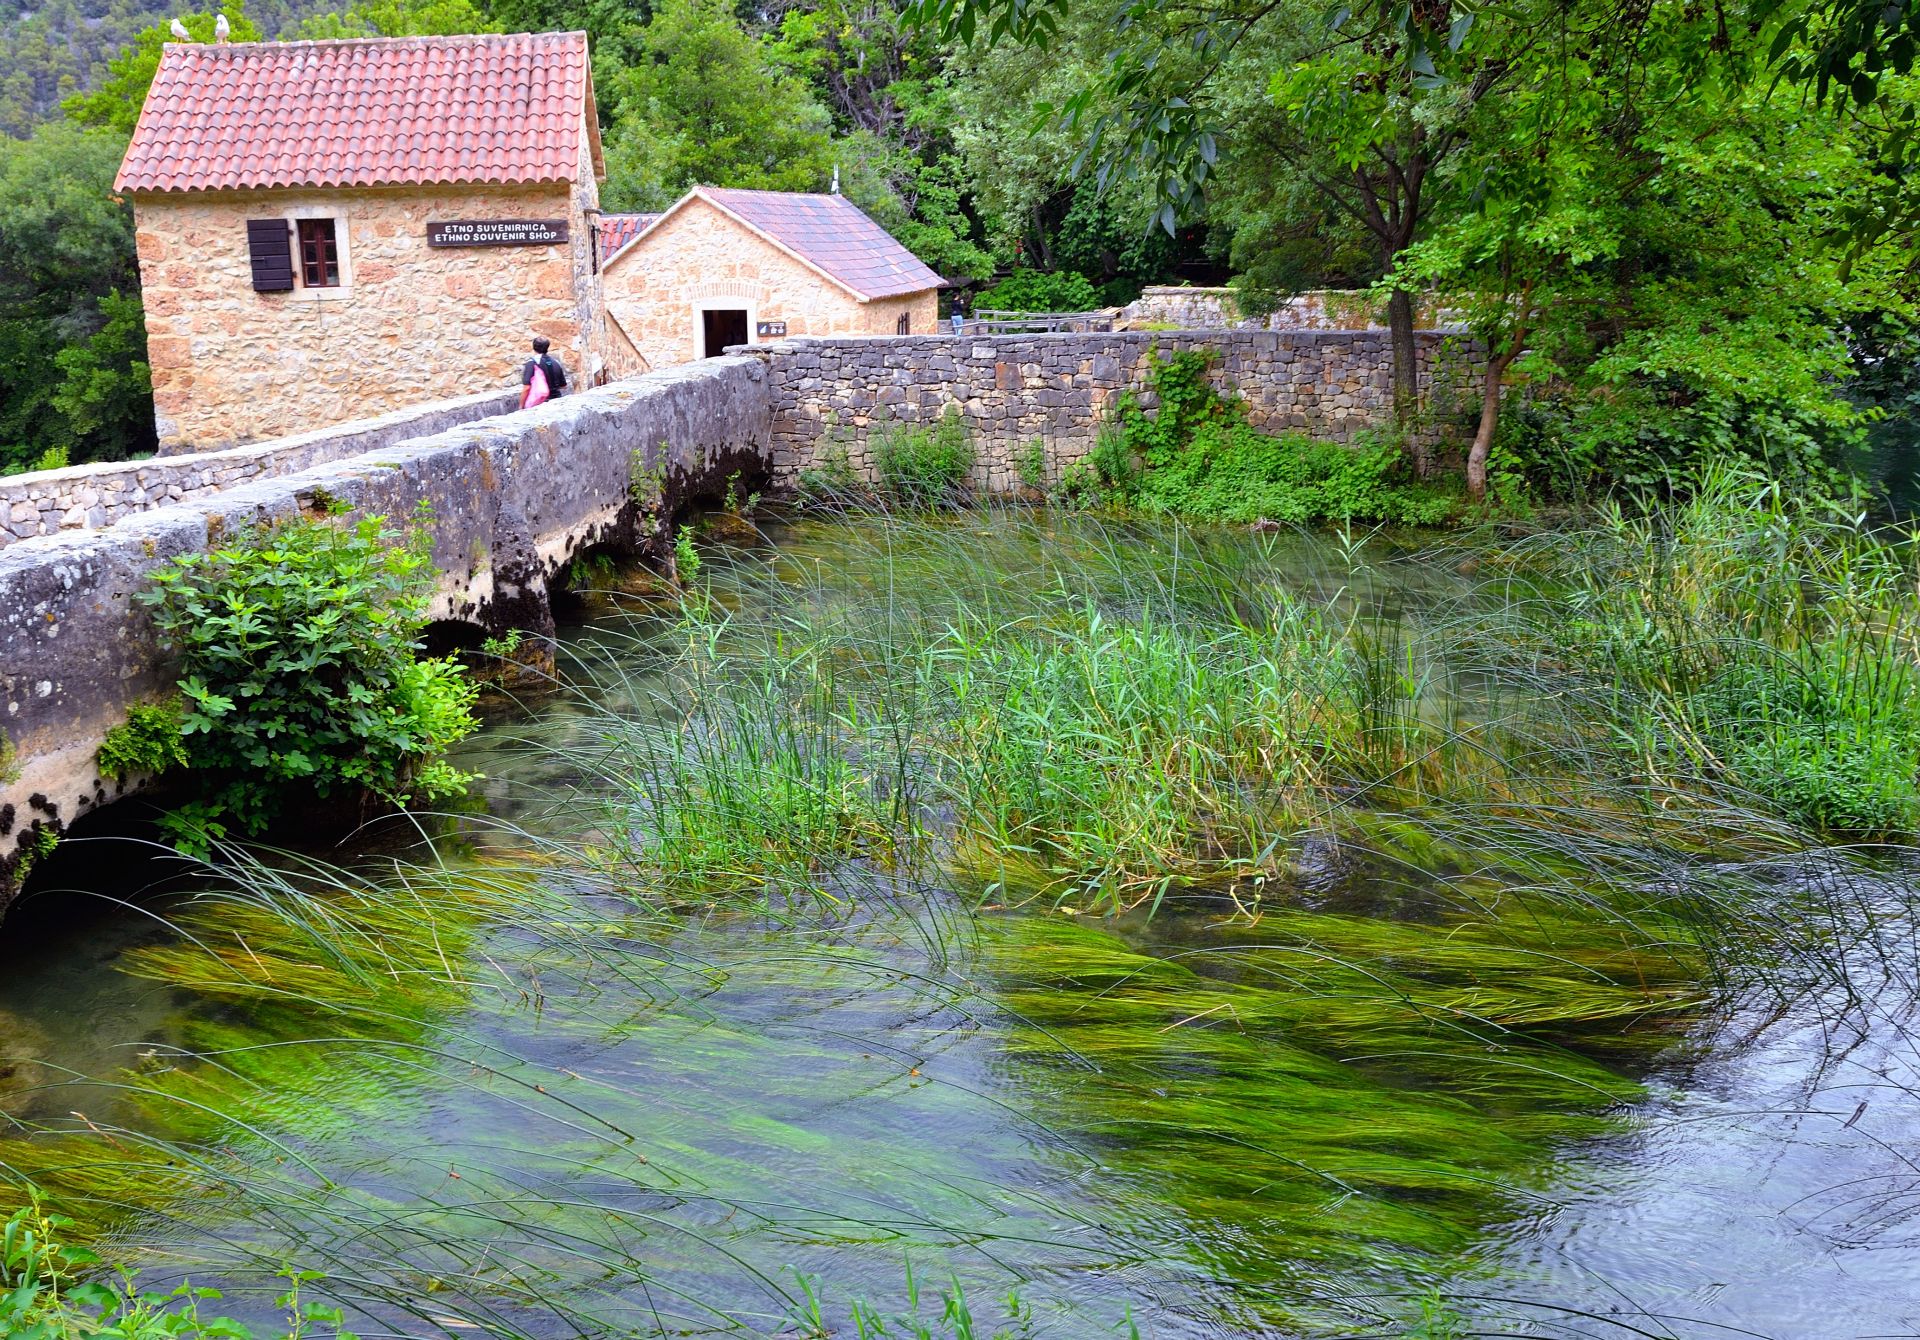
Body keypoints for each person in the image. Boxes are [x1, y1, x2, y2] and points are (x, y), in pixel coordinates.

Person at [521, 336, 569, 408]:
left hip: (540, 403)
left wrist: (521, 406)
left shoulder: (532, 363)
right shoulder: (556, 362)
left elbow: (527, 388)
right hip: (557, 402)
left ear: (534, 347)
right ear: (547, 347)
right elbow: (563, 386)